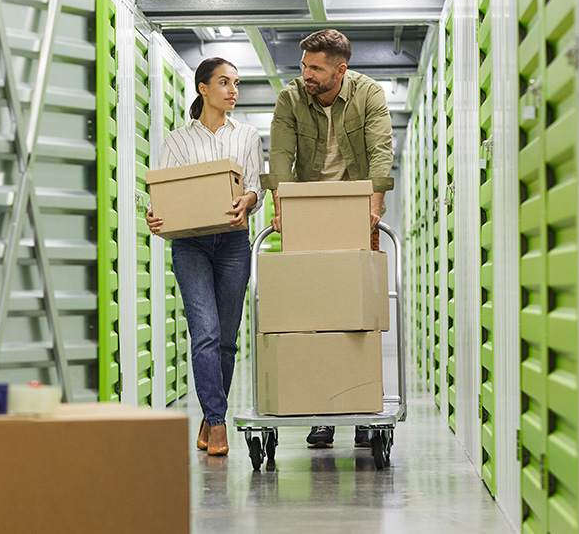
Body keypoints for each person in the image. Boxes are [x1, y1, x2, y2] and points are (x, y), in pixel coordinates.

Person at [260, 29, 394, 449]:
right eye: (304, 66)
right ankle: (322, 413)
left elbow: (380, 151)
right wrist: (281, 209)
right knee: (313, 320)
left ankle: (360, 407)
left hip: (356, 210)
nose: (306, 75)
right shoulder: (291, 98)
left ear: (341, 68)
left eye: (315, 68)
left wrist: (374, 207)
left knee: (359, 321)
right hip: (308, 212)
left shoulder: (369, 94)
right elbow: (279, 156)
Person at [145, 57, 264, 456]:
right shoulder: (177, 141)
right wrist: (154, 216)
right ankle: (217, 424)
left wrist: (246, 200)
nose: (233, 90)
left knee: (226, 341)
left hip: (233, 243)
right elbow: (165, 195)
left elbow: (254, 189)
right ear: (203, 88)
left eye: (236, 83)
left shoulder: (247, 135)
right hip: (191, 246)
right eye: (224, 82)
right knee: (206, 334)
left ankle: (211, 412)